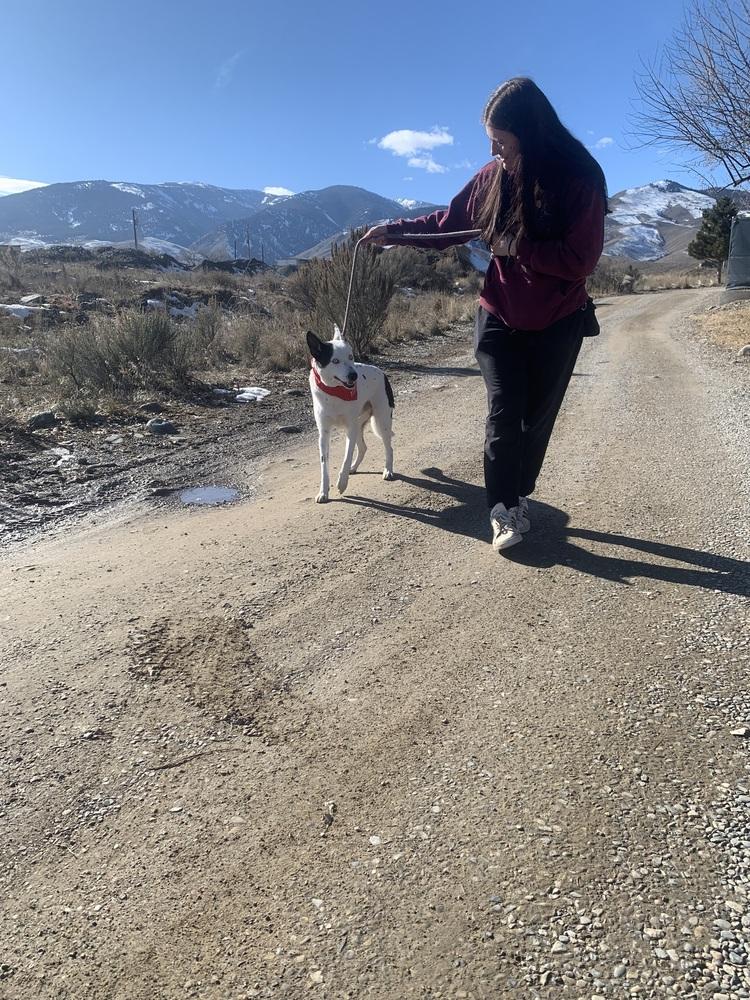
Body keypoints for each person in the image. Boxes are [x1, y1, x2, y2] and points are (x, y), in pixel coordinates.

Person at [361, 77, 607, 553]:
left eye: (501, 139)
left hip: (558, 319)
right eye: (490, 138)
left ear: (530, 133)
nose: (493, 149)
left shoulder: (578, 179)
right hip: (498, 312)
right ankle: (502, 509)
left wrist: (519, 246)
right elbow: (448, 225)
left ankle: (518, 494)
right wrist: (394, 232)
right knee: (503, 410)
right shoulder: (492, 176)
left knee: (535, 419)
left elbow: (581, 260)